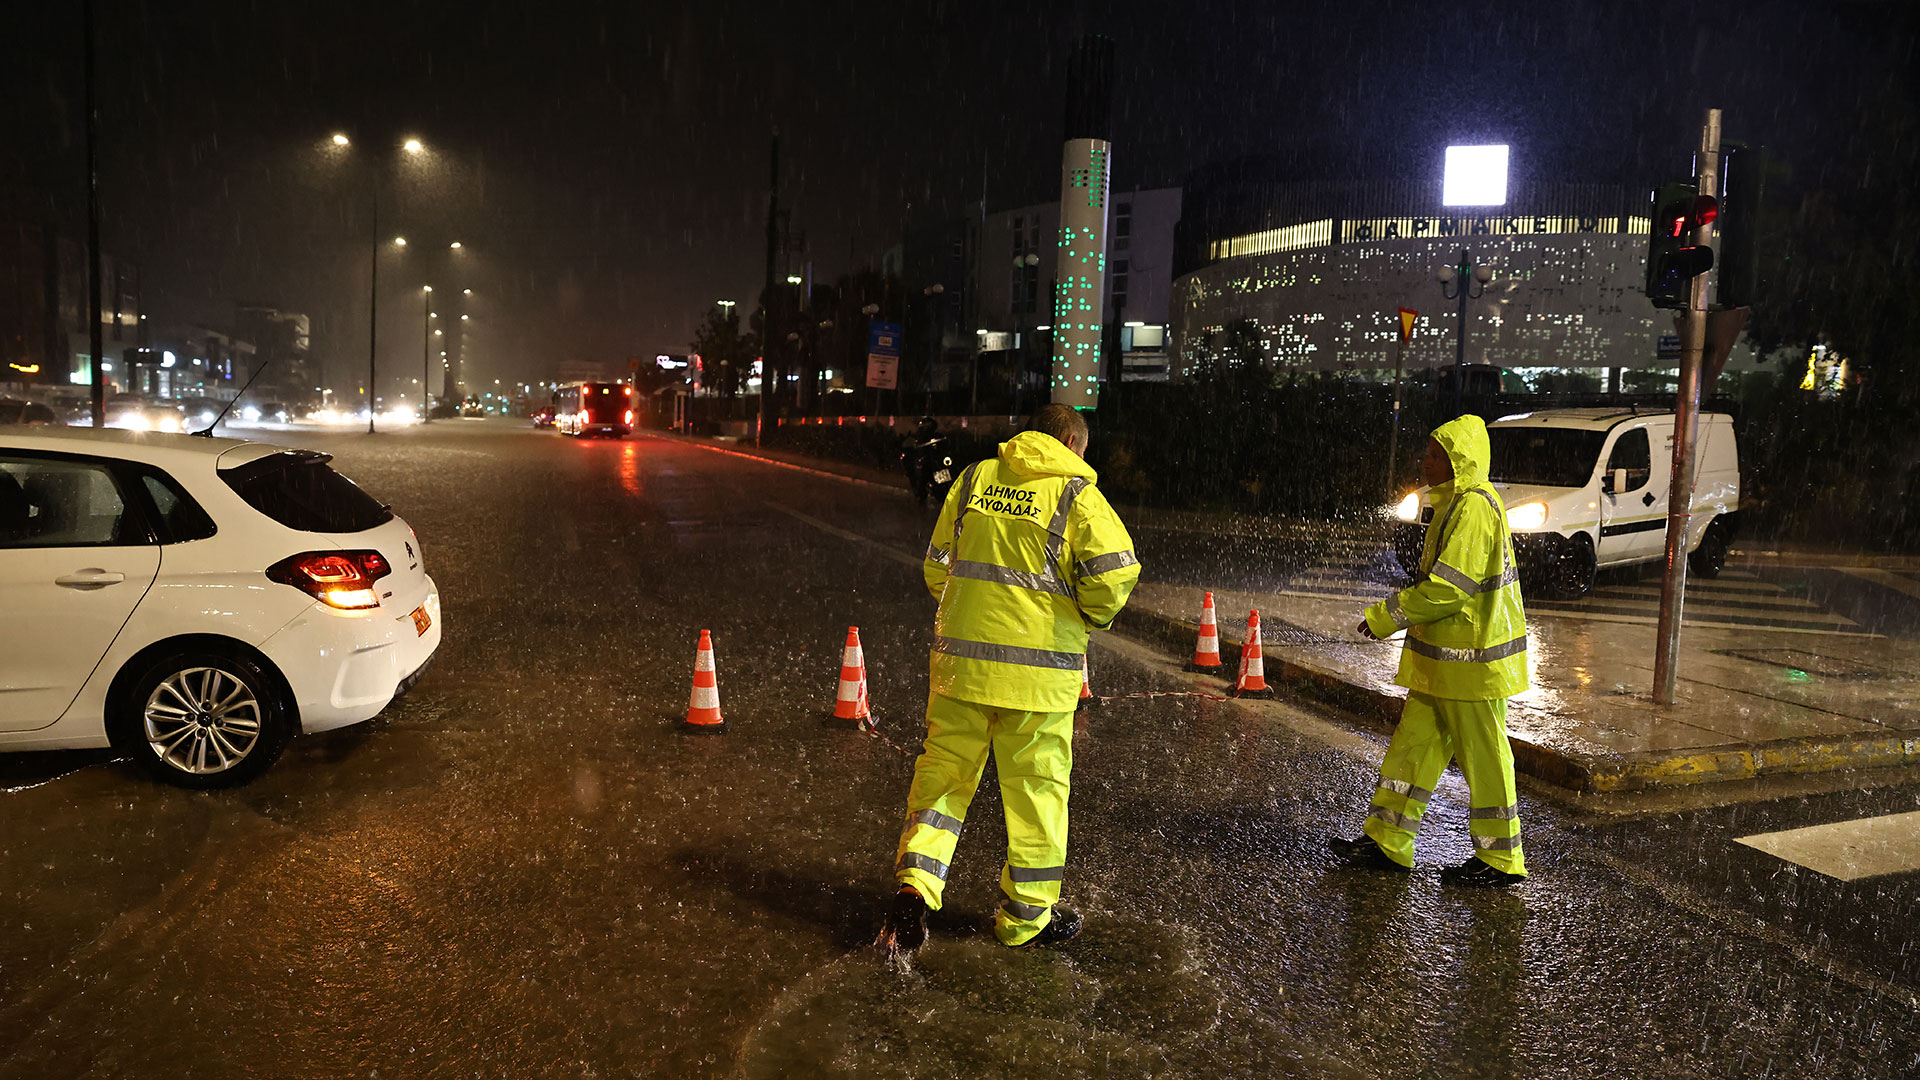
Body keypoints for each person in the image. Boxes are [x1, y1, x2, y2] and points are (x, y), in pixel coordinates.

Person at [878, 404, 1141, 951]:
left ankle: (915, 889)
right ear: (1072, 441)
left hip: (961, 670)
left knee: (944, 777)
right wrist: (1086, 614)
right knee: (1037, 795)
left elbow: (937, 567)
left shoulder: (973, 479)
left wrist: (973, 614)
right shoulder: (1076, 495)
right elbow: (1115, 576)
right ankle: (1024, 920)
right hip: (1039, 682)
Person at [1330, 414, 1531, 887]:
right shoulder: (1453, 504)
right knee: (1411, 751)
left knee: (1484, 760)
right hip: (1444, 664)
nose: (1425, 461)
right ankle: (1387, 841)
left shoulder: (1475, 507)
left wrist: (1386, 616)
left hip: (1474, 665)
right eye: (1427, 452)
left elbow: (1448, 590)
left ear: (1457, 461)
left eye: (1435, 454)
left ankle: (1501, 860)